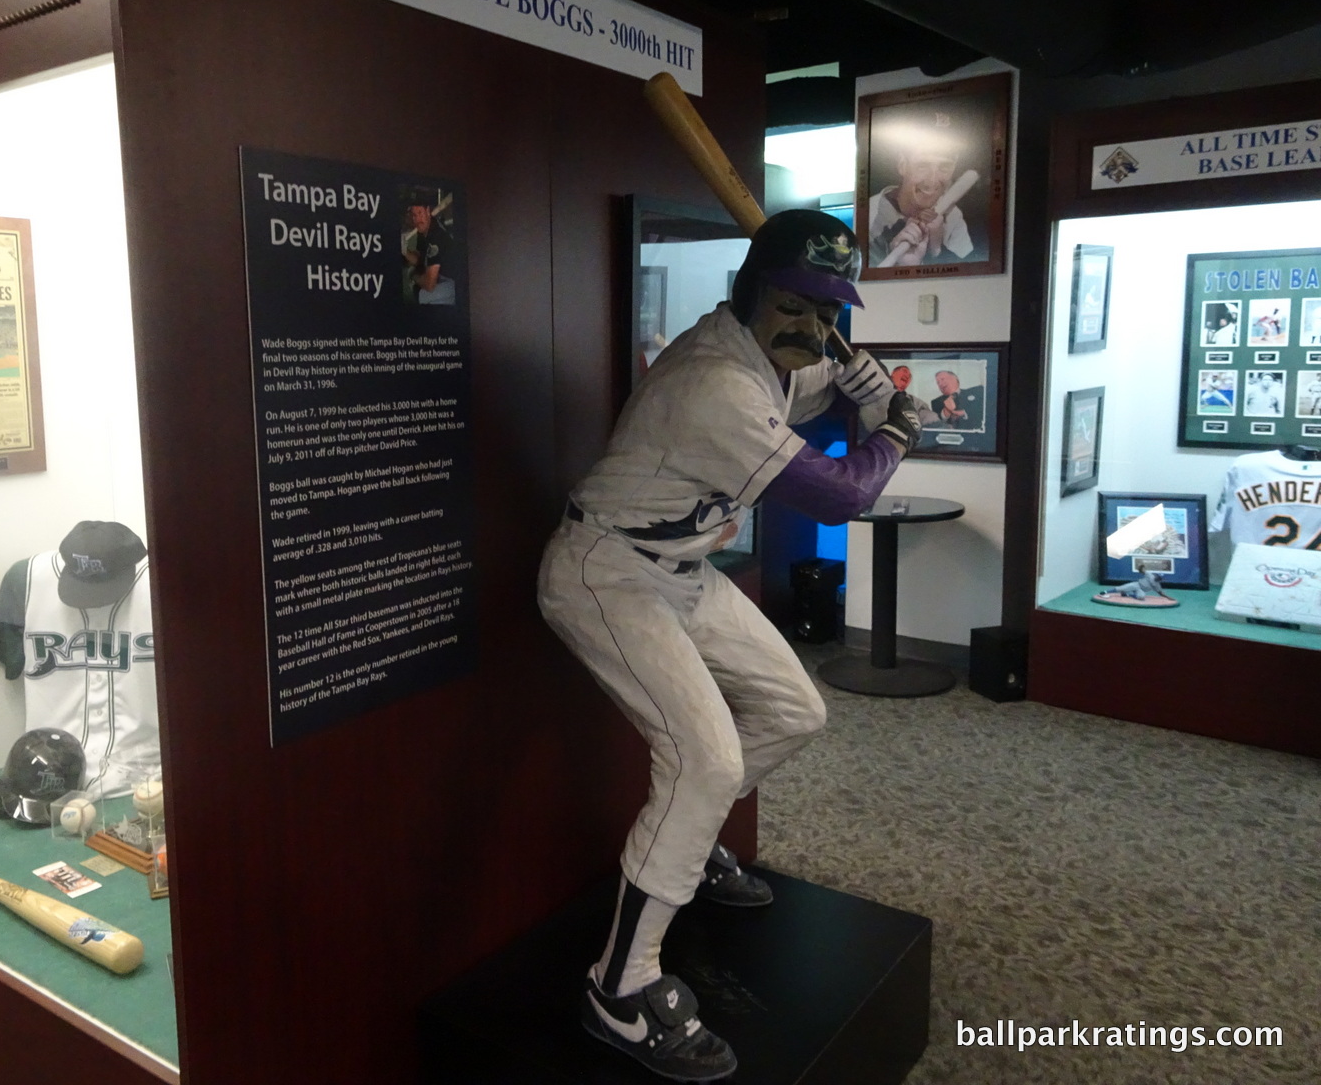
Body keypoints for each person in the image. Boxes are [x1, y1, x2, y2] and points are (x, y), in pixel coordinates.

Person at [537, 210, 922, 1081]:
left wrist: (853, 385)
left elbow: (809, 385)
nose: (813, 328)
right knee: (705, 762)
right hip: (608, 571)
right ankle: (619, 987)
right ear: (749, 291)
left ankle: (688, 842)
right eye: (794, 304)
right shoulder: (714, 379)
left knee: (796, 711)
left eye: (826, 311)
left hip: (679, 565)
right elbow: (834, 495)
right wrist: (894, 428)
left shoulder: (763, 349)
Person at [867, 118, 974, 266]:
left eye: (945, 166)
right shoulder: (869, 217)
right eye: (923, 165)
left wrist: (936, 250)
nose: (932, 180)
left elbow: (969, 281)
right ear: (902, 165)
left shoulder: (953, 216)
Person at [401, 188, 456, 305]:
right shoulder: (422, 230)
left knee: (422, 293)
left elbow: (430, 285)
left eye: (420, 213)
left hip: (454, 282)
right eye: (414, 215)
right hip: (440, 276)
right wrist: (405, 251)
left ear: (427, 211)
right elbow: (419, 259)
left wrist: (413, 276)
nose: (417, 219)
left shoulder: (435, 236)